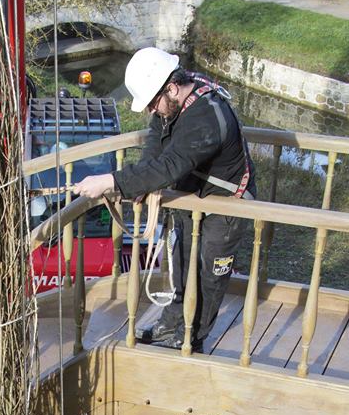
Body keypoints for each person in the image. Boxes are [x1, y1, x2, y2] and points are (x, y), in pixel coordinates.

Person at [73, 47, 256, 351]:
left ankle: (192, 338)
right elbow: (156, 144)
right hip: (193, 195)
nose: (150, 111)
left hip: (227, 204)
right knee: (181, 265)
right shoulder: (173, 102)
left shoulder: (207, 116)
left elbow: (170, 166)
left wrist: (111, 182)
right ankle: (170, 325)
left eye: (152, 104)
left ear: (171, 87)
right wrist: (141, 181)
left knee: (210, 276)